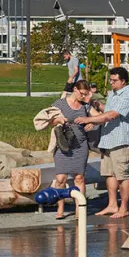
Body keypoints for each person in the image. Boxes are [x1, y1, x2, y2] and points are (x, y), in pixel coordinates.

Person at [75, 66, 129, 218]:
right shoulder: (114, 94)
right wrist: (95, 104)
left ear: (123, 81)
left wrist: (89, 119)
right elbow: (107, 109)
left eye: (114, 80)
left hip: (121, 141)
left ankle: (123, 208)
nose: (111, 83)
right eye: (110, 80)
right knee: (109, 174)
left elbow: (112, 115)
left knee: (122, 175)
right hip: (108, 140)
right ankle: (112, 205)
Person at [50, 81, 95, 220]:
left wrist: (92, 122)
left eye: (86, 94)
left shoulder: (86, 106)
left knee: (79, 178)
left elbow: (98, 117)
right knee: (60, 178)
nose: (84, 97)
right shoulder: (61, 103)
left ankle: (79, 209)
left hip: (80, 145)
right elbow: (50, 120)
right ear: (75, 89)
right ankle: (60, 208)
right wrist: (58, 120)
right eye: (82, 94)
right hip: (63, 145)